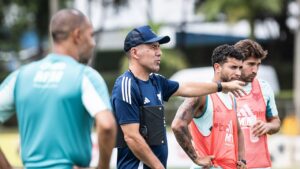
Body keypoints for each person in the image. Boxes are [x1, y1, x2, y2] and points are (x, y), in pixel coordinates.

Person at [111, 25, 245, 169]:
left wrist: (222, 87)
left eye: (159, 47)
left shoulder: (156, 81)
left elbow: (187, 87)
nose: (159, 53)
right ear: (135, 52)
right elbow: (132, 137)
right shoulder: (126, 85)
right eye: (154, 47)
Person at [0, 9, 116, 169]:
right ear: (77, 35)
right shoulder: (85, 76)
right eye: (91, 35)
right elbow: (107, 125)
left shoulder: (21, 76)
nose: (93, 43)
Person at [172, 44, 247, 169]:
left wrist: (242, 160)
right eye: (233, 67)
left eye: (240, 68)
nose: (238, 73)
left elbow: (238, 131)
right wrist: (196, 158)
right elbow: (177, 125)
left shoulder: (231, 97)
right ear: (217, 67)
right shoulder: (202, 94)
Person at [234, 39, 281, 169]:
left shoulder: (264, 88)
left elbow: (276, 122)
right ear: (238, 62)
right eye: (251, 64)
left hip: (260, 165)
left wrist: (268, 126)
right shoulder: (222, 90)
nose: (255, 70)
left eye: (258, 65)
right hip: (230, 165)